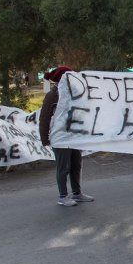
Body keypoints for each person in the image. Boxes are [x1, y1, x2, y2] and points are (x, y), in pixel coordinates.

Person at [39, 66, 95, 207]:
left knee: (76, 165)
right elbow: (44, 118)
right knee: (63, 167)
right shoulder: (53, 96)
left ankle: (77, 193)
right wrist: (44, 138)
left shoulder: (75, 93)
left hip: (74, 136)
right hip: (60, 138)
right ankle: (63, 196)